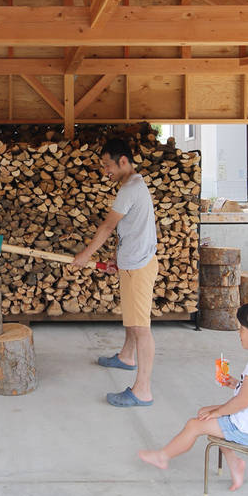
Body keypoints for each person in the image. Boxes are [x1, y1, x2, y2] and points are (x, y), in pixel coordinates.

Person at [138, 301, 248, 491]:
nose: (239, 333)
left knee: (195, 424)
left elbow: (242, 402)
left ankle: (162, 457)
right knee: (205, 413)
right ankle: (234, 463)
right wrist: (235, 383)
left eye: (242, 328)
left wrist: (217, 412)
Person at [71, 137, 159, 407]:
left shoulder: (129, 189)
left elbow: (108, 227)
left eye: (108, 165)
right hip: (134, 261)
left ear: (123, 161)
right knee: (133, 319)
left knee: (140, 327)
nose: (105, 171)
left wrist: (85, 255)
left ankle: (142, 390)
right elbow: (132, 229)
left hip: (138, 267)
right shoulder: (134, 186)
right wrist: (117, 257)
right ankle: (126, 357)